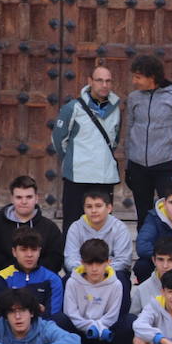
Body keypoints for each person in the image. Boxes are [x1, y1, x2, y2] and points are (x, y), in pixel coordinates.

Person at [125, 54, 172, 228]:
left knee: (170, 215)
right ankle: (145, 254)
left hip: (164, 166)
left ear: (152, 77)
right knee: (143, 215)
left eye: (138, 77)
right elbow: (129, 131)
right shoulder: (134, 98)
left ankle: (170, 253)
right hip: (138, 167)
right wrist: (128, 165)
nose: (134, 81)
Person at [52, 64, 122, 224]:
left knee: (102, 225)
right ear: (90, 81)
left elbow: (114, 140)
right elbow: (59, 139)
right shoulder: (73, 107)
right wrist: (72, 159)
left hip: (104, 178)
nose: (104, 85)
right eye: (99, 80)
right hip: (78, 177)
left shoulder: (116, 109)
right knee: (73, 223)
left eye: (108, 81)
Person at [61, 238, 132, 344]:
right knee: (59, 321)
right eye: (89, 263)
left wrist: (98, 328)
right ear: (82, 263)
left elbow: (112, 316)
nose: (94, 268)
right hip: (79, 336)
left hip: (104, 336)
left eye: (99, 263)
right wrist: (89, 327)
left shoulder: (116, 284)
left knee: (131, 322)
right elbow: (70, 314)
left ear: (108, 262)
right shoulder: (72, 282)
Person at [0, 175, 65, 275]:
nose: (24, 202)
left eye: (29, 197)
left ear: (36, 198)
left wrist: (32, 269)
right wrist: (15, 268)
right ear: (12, 199)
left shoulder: (50, 227)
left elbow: (56, 259)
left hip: (39, 279)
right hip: (3, 278)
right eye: (19, 197)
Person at [63, 187, 134, 296]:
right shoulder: (76, 227)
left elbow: (124, 261)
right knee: (67, 279)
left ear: (109, 208)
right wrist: (88, 271)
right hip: (83, 272)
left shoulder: (120, 228)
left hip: (111, 273)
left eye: (98, 206)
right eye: (89, 207)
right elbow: (70, 259)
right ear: (84, 209)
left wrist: (101, 271)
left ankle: (120, 313)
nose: (94, 211)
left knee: (122, 279)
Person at [0, 230, 62, 316]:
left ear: (39, 251)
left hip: (42, 327)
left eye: (34, 249)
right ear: (14, 252)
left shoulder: (53, 279)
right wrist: (34, 308)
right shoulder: (2, 278)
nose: (29, 255)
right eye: (23, 250)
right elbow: (1, 313)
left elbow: (53, 316)